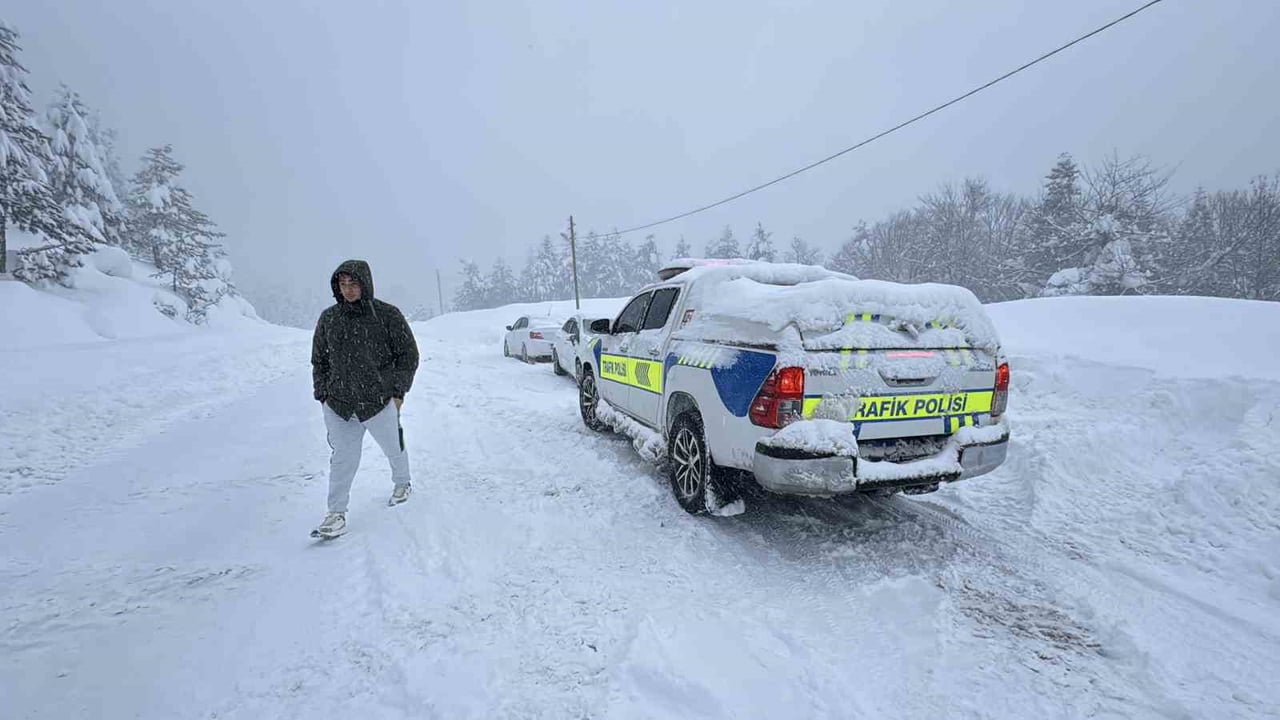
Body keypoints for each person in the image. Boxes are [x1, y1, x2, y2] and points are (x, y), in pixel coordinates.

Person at [310, 259, 419, 538]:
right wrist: (322, 394)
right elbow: (319, 361)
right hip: (339, 403)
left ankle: (403, 482)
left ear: (365, 284)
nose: (347, 290)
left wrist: (397, 393)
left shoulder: (386, 315)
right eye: (342, 284)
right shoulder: (329, 319)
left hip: (378, 401)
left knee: (393, 447)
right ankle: (335, 514)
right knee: (343, 458)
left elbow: (408, 356)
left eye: (353, 283)